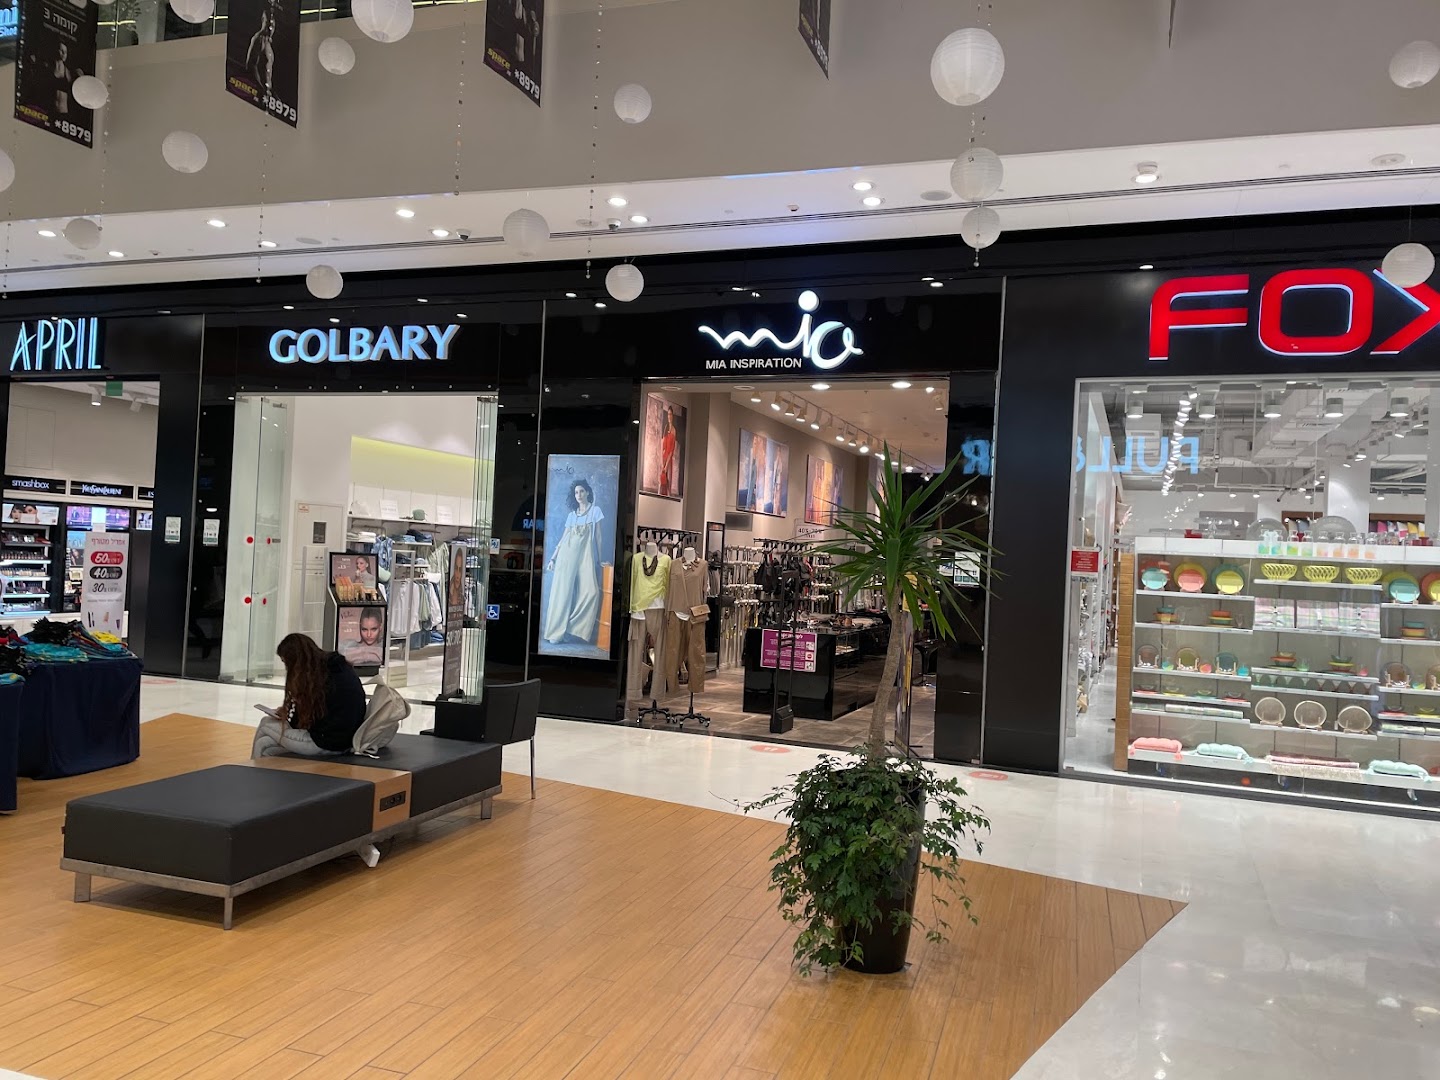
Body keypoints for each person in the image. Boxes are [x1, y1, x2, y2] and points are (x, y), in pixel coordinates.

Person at [251, 634, 367, 757]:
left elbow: (309, 720)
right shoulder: (333, 669)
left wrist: (288, 716)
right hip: (342, 739)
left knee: (266, 723)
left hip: (326, 741)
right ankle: (254, 768)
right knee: (264, 745)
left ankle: (248, 768)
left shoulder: (322, 679)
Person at [542, 478, 605, 646]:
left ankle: (572, 628)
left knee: (592, 592)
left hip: (585, 557)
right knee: (562, 593)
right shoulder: (571, 515)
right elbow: (563, 539)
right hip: (566, 557)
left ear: (588, 492)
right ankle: (555, 633)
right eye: (576, 492)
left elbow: (598, 537)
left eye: (582, 491)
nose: (579, 495)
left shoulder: (595, 511)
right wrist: (553, 558)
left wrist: (599, 559)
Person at [659, 407, 678, 496]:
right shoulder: (666, 427)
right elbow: (663, 444)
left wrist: (666, 464)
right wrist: (662, 461)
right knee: (662, 480)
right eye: (668, 414)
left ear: (672, 415)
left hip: (669, 459)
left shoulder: (674, 430)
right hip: (664, 457)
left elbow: (672, 449)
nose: (669, 416)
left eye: (670, 414)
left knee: (668, 481)